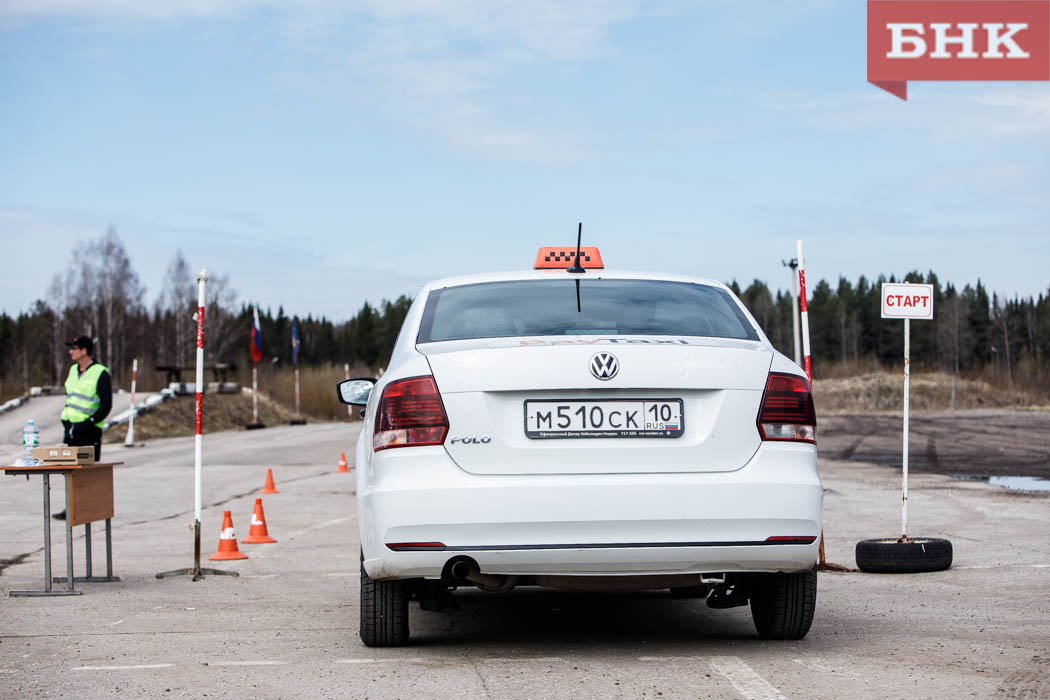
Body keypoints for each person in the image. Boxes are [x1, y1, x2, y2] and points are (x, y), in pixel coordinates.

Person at [52, 335, 112, 520]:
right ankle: (70, 507)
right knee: (70, 470)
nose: (71, 351)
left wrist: (91, 421)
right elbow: (72, 398)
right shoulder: (72, 370)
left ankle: (90, 507)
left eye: (74, 348)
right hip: (70, 428)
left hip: (89, 429)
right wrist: (66, 420)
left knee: (89, 471)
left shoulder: (100, 372)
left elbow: (106, 404)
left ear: (84, 350)